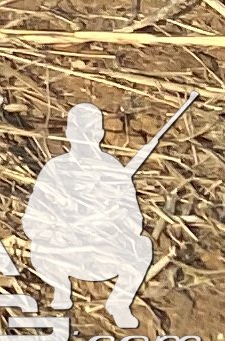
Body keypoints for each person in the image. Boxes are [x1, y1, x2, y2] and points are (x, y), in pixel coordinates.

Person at [25, 103, 155, 328]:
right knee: (38, 247)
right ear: (69, 133)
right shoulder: (55, 169)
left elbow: (134, 220)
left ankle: (119, 303)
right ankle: (61, 288)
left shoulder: (113, 169)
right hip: (64, 252)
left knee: (142, 246)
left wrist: (110, 219)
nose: (85, 138)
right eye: (79, 131)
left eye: (91, 131)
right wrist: (62, 222)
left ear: (100, 134)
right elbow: (31, 221)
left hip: (102, 254)